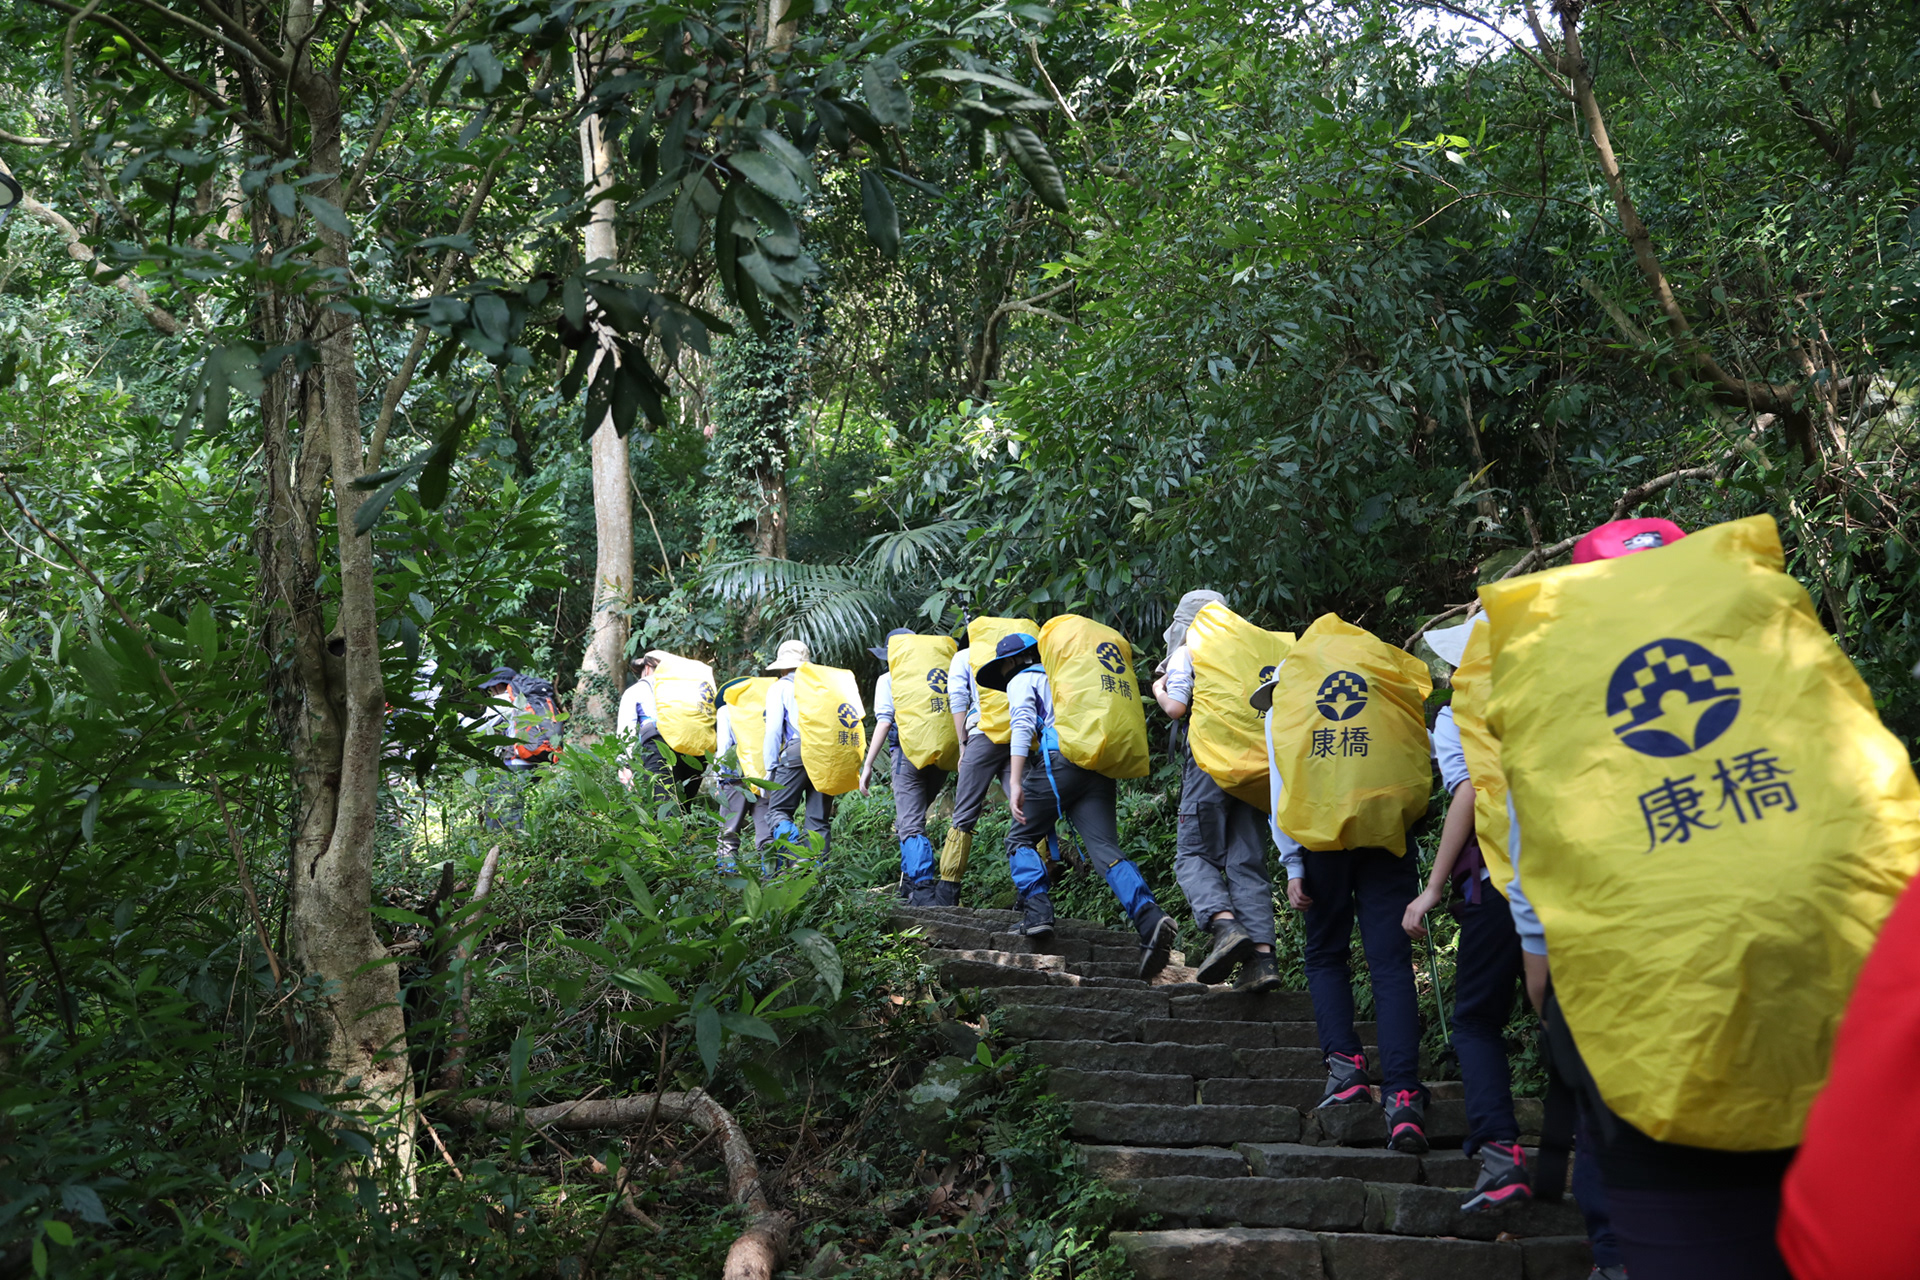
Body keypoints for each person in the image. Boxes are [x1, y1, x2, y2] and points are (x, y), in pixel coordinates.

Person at [1486, 514, 1920, 1280]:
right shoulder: (1768, 638)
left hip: (1661, 1058)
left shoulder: (1558, 686)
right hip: (1842, 1022)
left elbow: (1537, 869)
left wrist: (1545, 977)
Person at [1404, 619, 1626, 1278]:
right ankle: (1616, 1232)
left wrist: (1432, 887)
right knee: (1586, 1035)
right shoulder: (1559, 691)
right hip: (1586, 876)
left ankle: (1501, 1155)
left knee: (1475, 1018)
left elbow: (1469, 795)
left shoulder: (1457, 717)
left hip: (1498, 883)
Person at [1253, 615, 1433, 1154]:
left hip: (1322, 841)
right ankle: (1403, 1100)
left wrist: (1291, 863)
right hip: (1386, 834)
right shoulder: (1381, 684)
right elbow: (1420, 754)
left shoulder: (1290, 699)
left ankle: (1346, 1067)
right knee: (1391, 962)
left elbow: (1282, 788)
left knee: (1326, 953)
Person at [978, 631, 1177, 978]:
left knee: (1019, 839)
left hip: (1060, 763)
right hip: (1096, 766)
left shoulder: (1023, 679)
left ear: (1011, 662)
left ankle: (1038, 914)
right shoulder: (1065, 676)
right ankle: (1149, 917)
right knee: (1105, 849)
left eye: (1005, 667)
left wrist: (1014, 780)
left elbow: (1024, 723)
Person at [1151, 589, 1281, 993]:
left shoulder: (1190, 648)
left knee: (1193, 853)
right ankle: (1262, 959)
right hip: (1256, 767)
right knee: (1246, 859)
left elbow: (1176, 707)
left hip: (1211, 763)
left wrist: (1158, 688)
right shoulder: (1248, 652)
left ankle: (1224, 926)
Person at [934, 618, 1041, 906]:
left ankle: (947, 893)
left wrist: (963, 745)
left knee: (964, 813)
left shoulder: (963, 657)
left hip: (982, 737)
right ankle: (1033, 893)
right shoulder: (1012, 654)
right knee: (1026, 811)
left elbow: (957, 698)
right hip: (1019, 735)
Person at [859, 628, 954, 906]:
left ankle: (923, 889)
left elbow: (885, 721)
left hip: (907, 754)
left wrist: (867, 765)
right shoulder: (937, 674)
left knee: (910, 824)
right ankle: (909, 884)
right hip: (941, 754)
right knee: (909, 819)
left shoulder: (889, 678)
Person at [760, 639, 833, 861]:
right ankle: (818, 877)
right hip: (827, 752)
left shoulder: (781, 687)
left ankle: (793, 856)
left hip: (798, 751)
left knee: (777, 811)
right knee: (818, 819)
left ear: (783, 666)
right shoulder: (824, 685)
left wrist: (770, 769)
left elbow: (773, 731)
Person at [479, 665, 562, 829]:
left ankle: (510, 847)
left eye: (490, 689)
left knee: (503, 809)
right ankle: (516, 844)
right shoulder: (530, 699)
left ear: (496, 686)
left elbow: (479, 728)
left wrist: (459, 720)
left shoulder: (502, 701)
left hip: (516, 764)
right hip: (538, 760)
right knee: (512, 805)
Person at [617, 650, 703, 804]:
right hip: (695, 748)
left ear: (648, 668)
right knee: (685, 807)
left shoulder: (636, 690)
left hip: (660, 744)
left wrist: (625, 764)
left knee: (664, 806)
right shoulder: (687, 690)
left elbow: (626, 731)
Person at [713, 676, 767, 873]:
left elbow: (724, 747)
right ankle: (773, 878)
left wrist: (719, 780)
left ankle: (729, 881)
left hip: (734, 776)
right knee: (765, 831)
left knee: (728, 832)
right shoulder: (762, 710)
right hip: (763, 773)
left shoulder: (726, 710)